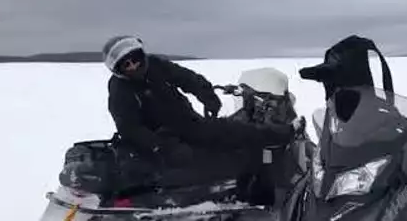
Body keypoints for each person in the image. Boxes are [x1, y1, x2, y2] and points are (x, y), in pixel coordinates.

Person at [103, 35, 305, 168]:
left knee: (237, 131)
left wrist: (208, 96)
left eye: (135, 59)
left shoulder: (155, 65)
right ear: (119, 70)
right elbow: (129, 128)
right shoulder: (120, 89)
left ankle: (286, 133)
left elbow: (186, 77)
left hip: (188, 122)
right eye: (126, 64)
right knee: (203, 162)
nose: (133, 66)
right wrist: (160, 145)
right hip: (163, 138)